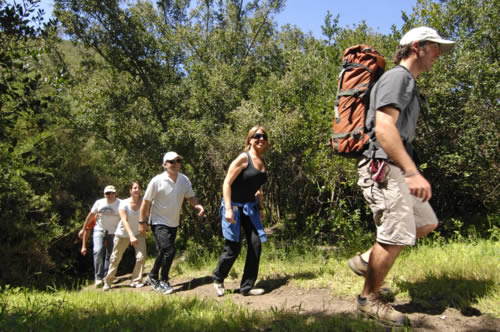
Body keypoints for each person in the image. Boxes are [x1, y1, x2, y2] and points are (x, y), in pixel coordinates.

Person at [349, 27, 456, 326]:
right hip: (382, 167)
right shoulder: (398, 77)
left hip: (396, 166)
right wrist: (411, 171)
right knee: (395, 234)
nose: (438, 54)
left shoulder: (407, 81)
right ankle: (368, 299)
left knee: (425, 222)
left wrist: (410, 170)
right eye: (434, 47)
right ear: (416, 46)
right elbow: (383, 127)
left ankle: (365, 261)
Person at [212, 126, 269, 297]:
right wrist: (228, 209)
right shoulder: (243, 159)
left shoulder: (262, 162)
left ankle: (247, 287)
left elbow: (256, 188)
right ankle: (218, 278)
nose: (261, 139)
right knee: (233, 248)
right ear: (250, 139)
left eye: (264, 136)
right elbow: (227, 183)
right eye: (257, 136)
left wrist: (260, 207)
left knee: (255, 244)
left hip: (250, 208)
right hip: (234, 208)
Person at [139, 152, 205, 295]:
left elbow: (190, 197)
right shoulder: (157, 181)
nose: (175, 164)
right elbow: (146, 202)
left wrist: (197, 205)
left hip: (173, 222)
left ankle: (152, 275)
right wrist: (142, 222)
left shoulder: (184, 180)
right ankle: (164, 280)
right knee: (169, 250)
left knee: (164, 251)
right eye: (171, 161)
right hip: (158, 222)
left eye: (178, 161)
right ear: (164, 165)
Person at [103, 181, 148, 291]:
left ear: (141, 190)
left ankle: (136, 280)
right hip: (123, 234)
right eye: (134, 188)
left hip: (138, 233)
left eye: (138, 188)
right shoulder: (123, 203)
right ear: (130, 190)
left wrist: (147, 227)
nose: (136, 190)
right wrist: (131, 235)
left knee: (141, 257)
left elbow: (147, 216)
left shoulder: (144, 203)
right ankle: (108, 281)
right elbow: (124, 221)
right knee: (115, 258)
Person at [79, 185, 121, 287]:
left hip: (113, 231)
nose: (110, 195)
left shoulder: (121, 203)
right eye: (108, 193)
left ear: (115, 194)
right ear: (104, 194)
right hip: (99, 229)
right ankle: (98, 277)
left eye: (112, 193)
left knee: (111, 254)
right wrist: (83, 229)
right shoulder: (99, 203)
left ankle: (107, 275)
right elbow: (90, 216)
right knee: (98, 251)